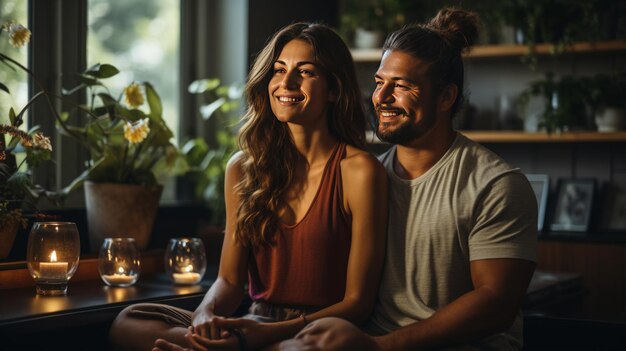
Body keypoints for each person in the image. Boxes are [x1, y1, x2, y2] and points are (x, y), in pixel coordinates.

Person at [108, 22, 388, 351]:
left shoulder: (360, 171)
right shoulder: (243, 168)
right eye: (278, 70)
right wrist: (204, 317)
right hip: (252, 323)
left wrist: (260, 336)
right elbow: (229, 281)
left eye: (306, 71)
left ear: (335, 89)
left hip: (316, 332)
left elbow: (358, 303)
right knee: (129, 321)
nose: (286, 82)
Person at [278, 7, 538, 351]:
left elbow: (496, 304)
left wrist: (380, 346)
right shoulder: (366, 177)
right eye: (379, 83)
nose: (381, 98)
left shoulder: (496, 185)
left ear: (446, 96)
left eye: (401, 86)